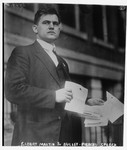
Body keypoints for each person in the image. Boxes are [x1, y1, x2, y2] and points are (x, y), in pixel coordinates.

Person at [5, 5, 104, 146]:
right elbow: (13, 91)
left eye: (55, 23)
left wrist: (86, 101)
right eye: (46, 22)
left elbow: (66, 92)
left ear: (59, 28)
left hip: (67, 137)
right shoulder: (23, 53)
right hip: (37, 137)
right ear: (35, 28)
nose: (51, 26)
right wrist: (54, 96)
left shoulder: (62, 62)